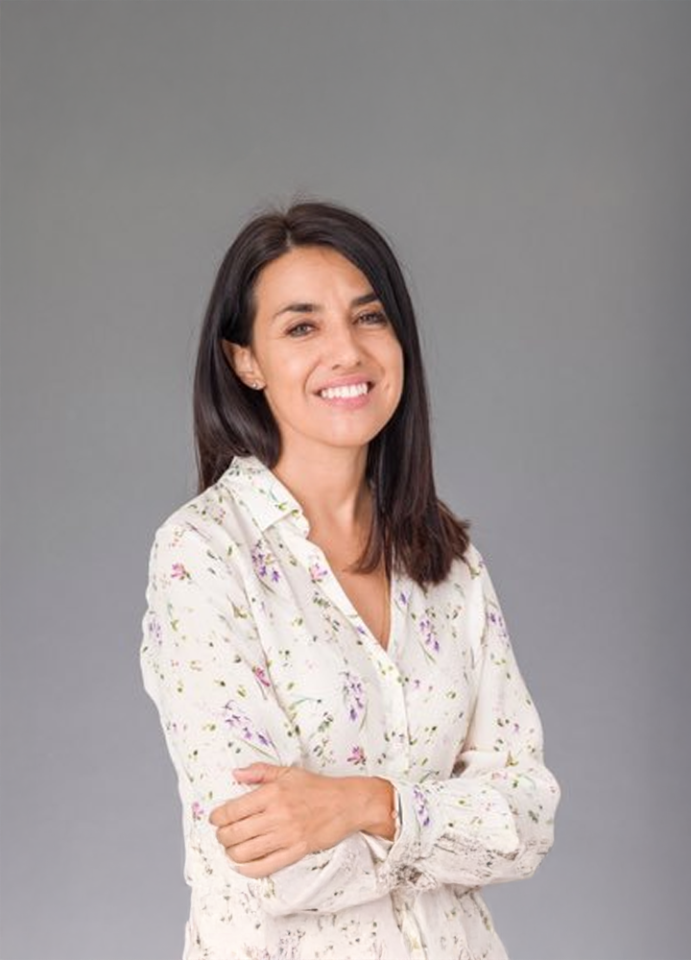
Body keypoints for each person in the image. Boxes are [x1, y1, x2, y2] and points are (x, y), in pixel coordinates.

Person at [139, 198, 561, 960]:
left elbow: (526, 819)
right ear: (245, 361)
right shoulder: (202, 556)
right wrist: (445, 828)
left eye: (368, 318)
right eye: (301, 327)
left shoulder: (445, 557)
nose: (346, 352)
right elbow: (274, 866)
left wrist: (360, 804)